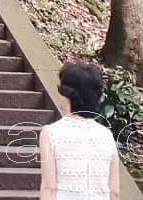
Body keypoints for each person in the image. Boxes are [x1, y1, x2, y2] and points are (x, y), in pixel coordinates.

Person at [39, 63, 121, 200]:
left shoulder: (50, 133)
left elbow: (49, 187)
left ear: (68, 95)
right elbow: (114, 191)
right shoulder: (106, 135)